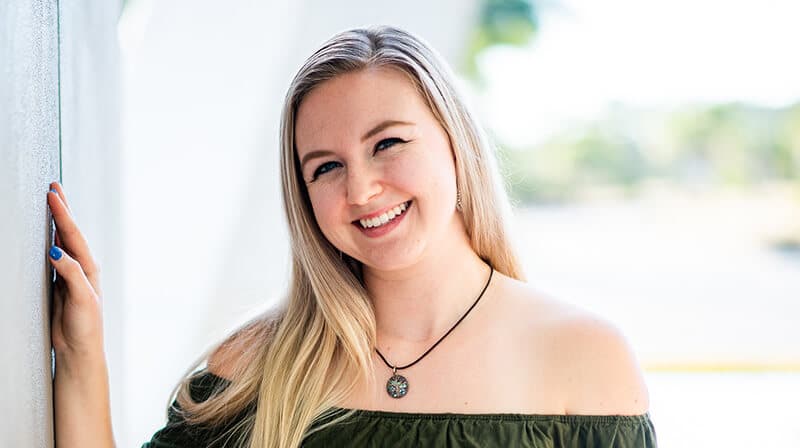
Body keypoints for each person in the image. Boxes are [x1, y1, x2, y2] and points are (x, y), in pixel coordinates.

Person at [49, 26, 657, 448]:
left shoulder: (584, 357)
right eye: (325, 167)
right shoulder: (257, 366)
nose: (362, 190)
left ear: (455, 144)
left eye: (387, 143)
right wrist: (80, 350)